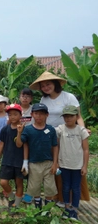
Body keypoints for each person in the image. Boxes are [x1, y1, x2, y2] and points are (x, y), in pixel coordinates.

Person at [29, 71, 90, 206]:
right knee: (53, 166)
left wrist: (82, 130)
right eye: (43, 86)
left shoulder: (68, 97)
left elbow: (78, 116)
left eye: (48, 84)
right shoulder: (43, 100)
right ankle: (54, 197)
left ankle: (67, 199)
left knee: (67, 165)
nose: (46, 87)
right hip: (49, 137)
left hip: (68, 136)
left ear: (55, 83)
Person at [16, 103, 58, 209]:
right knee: (35, 187)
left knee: (49, 187)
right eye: (36, 113)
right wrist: (19, 133)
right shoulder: (28, 129)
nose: (39, 116)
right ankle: (38, 208)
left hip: (48, 163)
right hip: (34, 163)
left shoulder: (51, 130)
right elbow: (19, 144)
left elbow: (55, 146)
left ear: (47, 115)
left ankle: (47, 210)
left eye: (42, 114)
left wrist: (55, 163)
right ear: (32, 114)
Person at [56, 105, 89, 221]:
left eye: (71, 116)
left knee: (75, 188)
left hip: (77, 166)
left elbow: (86, 149)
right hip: (64, 164)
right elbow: (57, 146)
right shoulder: (60, 129)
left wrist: (85, 166)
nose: (68, 118)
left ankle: (74, 210)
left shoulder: (81, 131)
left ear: (76, 116)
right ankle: (66, 209)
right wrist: (56, 163)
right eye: (66, 116)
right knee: (65, 187)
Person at [0, 104, 25, 209]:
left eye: (15, 114)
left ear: (21, 115)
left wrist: (26, 161)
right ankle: (12, 197)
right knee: (3, 182)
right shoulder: (5, 129)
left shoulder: (25, 129)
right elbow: (1, 144)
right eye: (10, 115)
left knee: (18, 182)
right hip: (7, 159)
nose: (13, 117)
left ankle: (17, 204)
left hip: (19, 160)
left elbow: (24, 145)